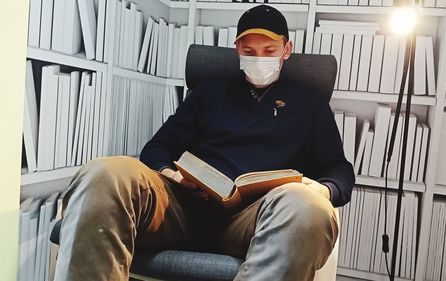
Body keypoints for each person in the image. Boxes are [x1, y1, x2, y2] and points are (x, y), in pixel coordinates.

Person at [55, 5, 355, 281]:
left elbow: (339, 170)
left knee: (307, 207)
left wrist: (322, 188)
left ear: (286, 50)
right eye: (249, 51)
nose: (259, 59)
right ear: (237, 49)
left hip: (255, 222)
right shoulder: (209, 92)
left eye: (269, 50)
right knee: (106, 173)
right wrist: (172, 175)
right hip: (186, 210)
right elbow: (156, 149)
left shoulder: (310, 102)